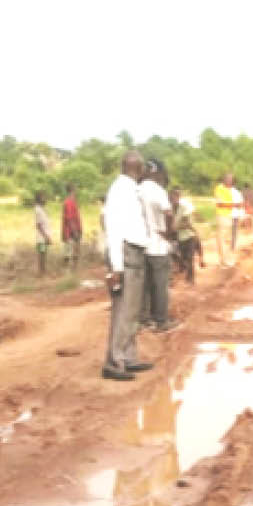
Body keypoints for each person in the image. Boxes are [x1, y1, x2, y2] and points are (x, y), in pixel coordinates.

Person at [101, 150, 154, 381]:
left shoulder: (131, 189)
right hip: (125, 254)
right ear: (138, 169)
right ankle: (115, 361)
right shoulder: (119, 190)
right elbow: (113, 229)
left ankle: (129, 356)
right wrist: (116, 267)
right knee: (123, 310)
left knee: (132, 310)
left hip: (135, 253)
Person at [139, 158, 178, 332]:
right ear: (157, 172)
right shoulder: (158, 191)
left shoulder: (137, 190)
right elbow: (168, 213)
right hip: (158, 244)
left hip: (141, 245)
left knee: (145, 285)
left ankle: (145, 320)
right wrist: (169, 233)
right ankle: (161, 321)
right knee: (160, 285)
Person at [171, 186, 205, 282]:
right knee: (183, 257)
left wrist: (175, 227)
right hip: (181, 237)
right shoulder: (170, 209)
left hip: (189, 235)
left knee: (189, 258)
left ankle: (190, 279)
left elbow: (187, 223)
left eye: (174, 197)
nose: (173, 199)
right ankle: (185, 271)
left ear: (178, 197)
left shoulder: (184, 207)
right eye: (171, 198)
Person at [214, 172, 241, 255]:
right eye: (227, 178)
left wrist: (236, 206)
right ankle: (225, 260)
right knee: (222, 239)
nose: (229, 180)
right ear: (224, 179)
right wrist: (234, 204)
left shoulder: (233, 191)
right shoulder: (220, 188)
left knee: (229, 237)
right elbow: (220, 203)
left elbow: (239, 204)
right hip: (223, 216)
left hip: (231, 215)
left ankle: (229, 254)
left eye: (231, 179)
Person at [61, 184, 83, 270]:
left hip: (73, 231)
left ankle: (72, 271)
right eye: (75, 189)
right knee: (69, 253)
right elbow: (70, 219)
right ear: (72, 190)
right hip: (70, 233)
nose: (76, 191)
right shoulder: (69, 202)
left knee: (74, 253)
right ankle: (68, 272)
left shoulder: (72, 202)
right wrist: (75, 232)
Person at [32, 191, 52, 277]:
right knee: (42, 255)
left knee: (44, 254)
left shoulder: (41, 209)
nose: (45, 199)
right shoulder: (38, 210)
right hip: (41, 237)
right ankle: (41, 273)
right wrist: (46, 236)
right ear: (39, 199)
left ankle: (43, 272)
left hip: (44, 236)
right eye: (43, 197)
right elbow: (38, 225)